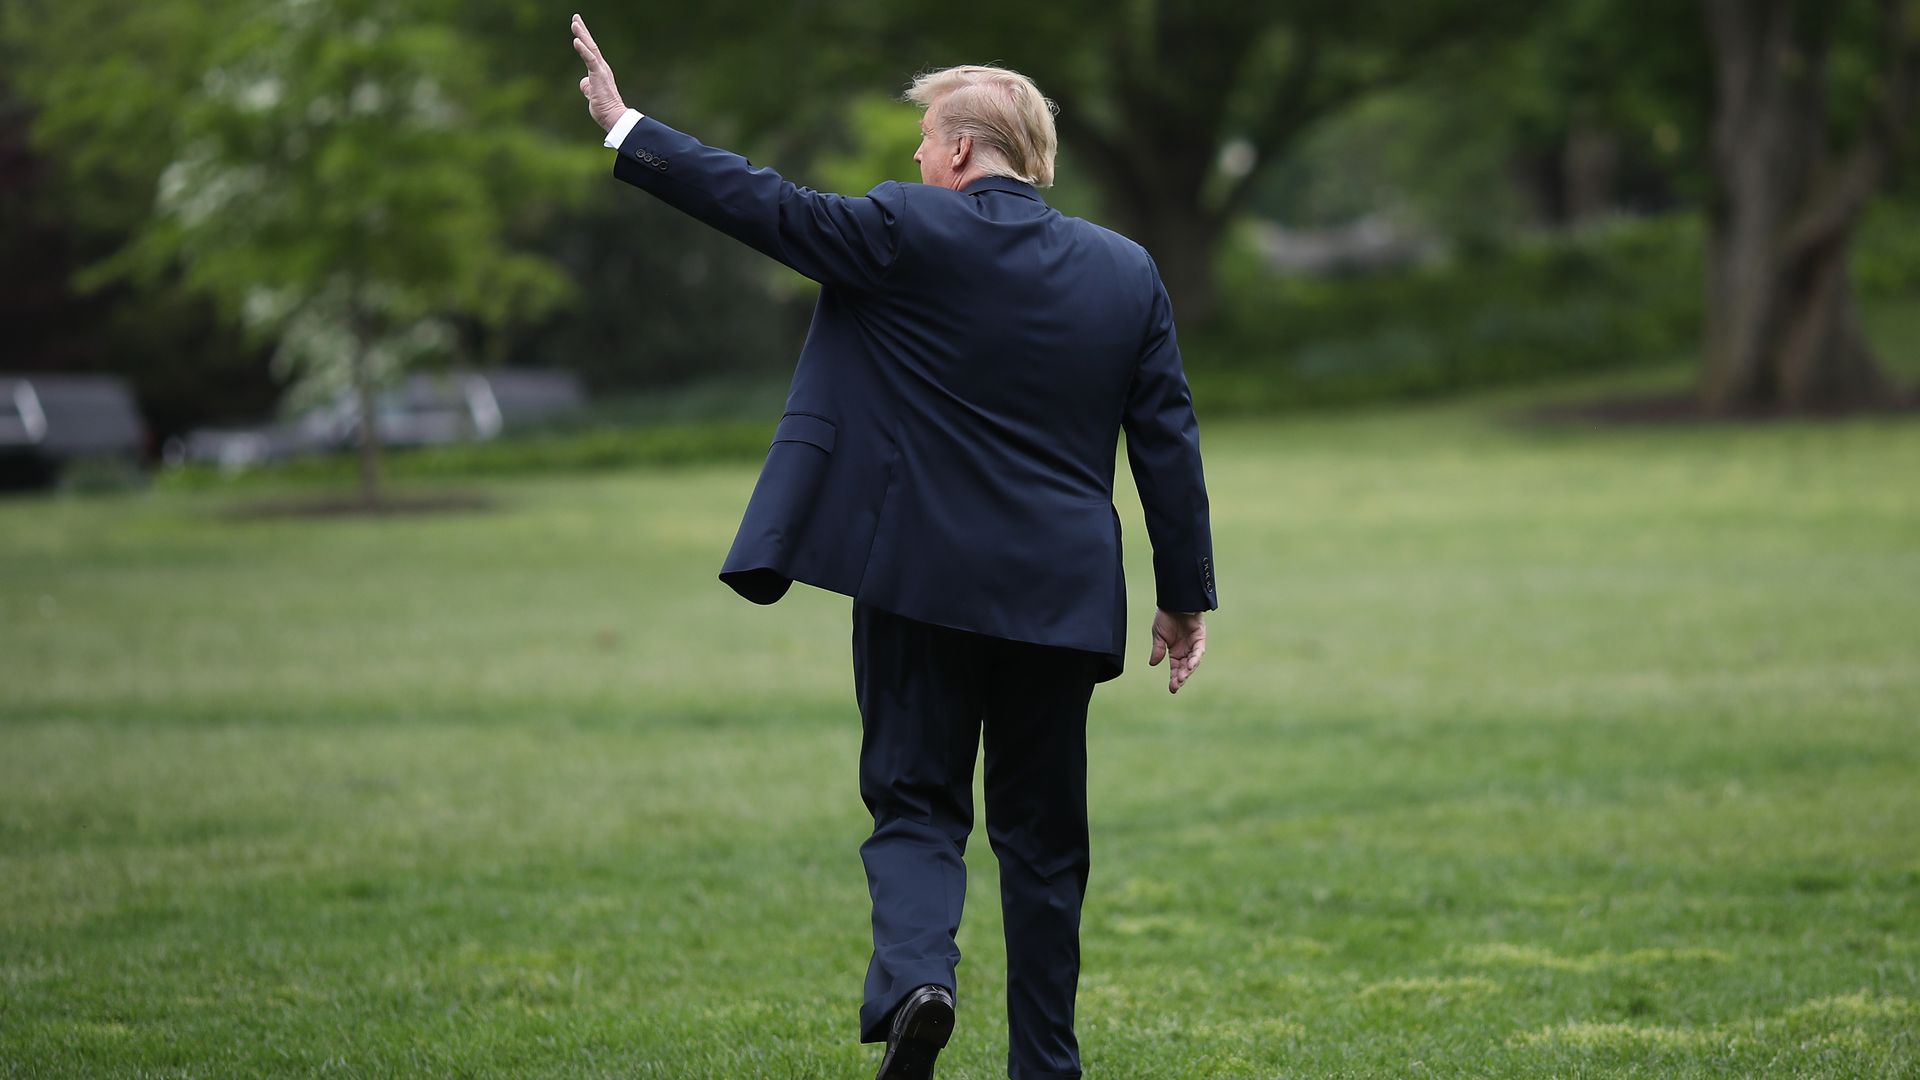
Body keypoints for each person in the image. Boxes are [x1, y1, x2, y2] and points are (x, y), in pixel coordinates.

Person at [571, 15, 1216, 1080]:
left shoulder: (907, 229)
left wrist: (626, 124)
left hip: (921, 582)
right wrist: (1184, 595)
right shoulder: (1127, 271)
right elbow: (1168, 443)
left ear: (961, 150)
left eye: (923, 140)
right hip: (1062, 601)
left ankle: (920, 978)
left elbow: (764, 205)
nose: (915, 157)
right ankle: (1047, 1068)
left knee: (916, 805)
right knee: (1044, 846)